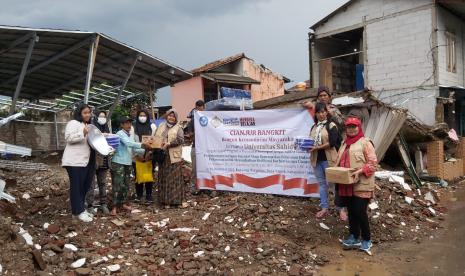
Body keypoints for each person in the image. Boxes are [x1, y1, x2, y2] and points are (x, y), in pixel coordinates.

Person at [336, 117, 377, 253]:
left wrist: (360, 171)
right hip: (347, 184)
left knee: (360, 211)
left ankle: (366, 239)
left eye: (354, 127)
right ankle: (354, 236)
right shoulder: (344, 143)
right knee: (352, 211)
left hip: (361, 183)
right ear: (346, 129)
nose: (352, 129)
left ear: (359, 128)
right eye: (349, 127)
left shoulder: (365, 143)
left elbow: (372, 163)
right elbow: (339, 161)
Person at [62, 104, 96, 222]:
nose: (88, 114)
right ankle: (78, 212)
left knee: (85, 186)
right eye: (85, 112)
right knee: (77, 187)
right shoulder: (73, 123)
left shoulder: (88, 125)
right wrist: (83, 133)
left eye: (89, 112)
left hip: (87, 160)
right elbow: (68, 138)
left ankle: (80, 208)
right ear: (79, 113)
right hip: (74, 161)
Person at [111, 116, 149, 216]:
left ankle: (122, 204)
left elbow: (134, 149)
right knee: (117, 184)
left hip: (127, 162)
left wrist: (148, 150)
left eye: (130, 123)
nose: (129, 125)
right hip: (118, 162)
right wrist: (143, 144)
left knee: (126, 185)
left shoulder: (130, 135)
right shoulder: (120, 133)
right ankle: (114, 207)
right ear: (122, 125)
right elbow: (128, 144)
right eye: (126, 123)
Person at [309, 103, 339, 219]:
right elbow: (310, 141)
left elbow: (332, 142)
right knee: (322, 185)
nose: (321, 114)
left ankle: (340, 208)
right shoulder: (314, 127)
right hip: (316, 160)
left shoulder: (331, 125)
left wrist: (317, 147)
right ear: (315, 114)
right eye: (318, 112)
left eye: (323, 112)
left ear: (326, 112)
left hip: (329, 159)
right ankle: (324, 208)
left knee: (334, 184)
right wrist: (305, 146)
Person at [153, 109, 185, 208]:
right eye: (170, 116)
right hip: (162, 155)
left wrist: (169, 143)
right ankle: (164, 201)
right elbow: (155, 137)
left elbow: (181, 140)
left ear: (176, 118)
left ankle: (174, 201)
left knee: (174, 178)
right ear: (167, 116)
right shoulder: (161, 126)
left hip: (173, 156)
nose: (171, 118)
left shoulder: (178, 127)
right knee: (164, 177)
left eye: (173, 116)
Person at [86, 110, 111, 215]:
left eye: (104, 117)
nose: (102, 118)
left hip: (104, 160)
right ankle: (90, 205)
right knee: (91, 184)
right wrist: (99, 136)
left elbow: (110, 145)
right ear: (96, 118)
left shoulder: (107, 129)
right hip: (93, 160)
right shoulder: (91, 129)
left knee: (102, 183)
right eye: (100, 116)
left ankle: (103, 204)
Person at [133, 110, 157, 203]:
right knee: (138, 175)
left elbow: (155, 140)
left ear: (147, 117)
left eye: (144, 115)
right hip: (137, 156)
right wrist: (136, 155)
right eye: (140, 115)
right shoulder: (133, 127)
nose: (142, 117)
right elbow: (132, 142)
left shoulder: (152, 126)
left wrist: (149, 154)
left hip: (149, 156)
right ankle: (139, 195)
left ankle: (149, 195)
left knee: (148, 175)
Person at [186, 100, 205, 194]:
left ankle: (205, 187)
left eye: (201, 109)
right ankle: (193, 187)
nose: (199, 111)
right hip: (195, 147)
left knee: (206, 168)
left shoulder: (208, 119)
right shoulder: (192, 121)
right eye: (197, 109)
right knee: (195, 169)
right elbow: (189, 135)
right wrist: (194, 134)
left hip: (207, 149)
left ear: (204, 108)